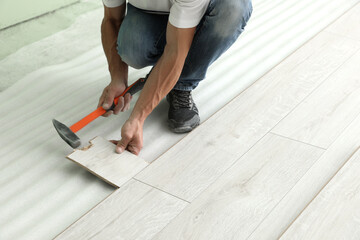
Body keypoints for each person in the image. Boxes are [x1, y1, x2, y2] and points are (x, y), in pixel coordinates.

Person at [98, 0, 253, 155]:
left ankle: (182, 83)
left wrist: (137, 118)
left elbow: (175, 50)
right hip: (157, 11)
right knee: (132, 48)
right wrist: (117, 78)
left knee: (233, 10)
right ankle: (166, 73)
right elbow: (112, 20)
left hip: (213, 5)